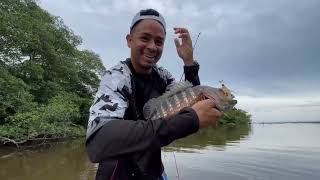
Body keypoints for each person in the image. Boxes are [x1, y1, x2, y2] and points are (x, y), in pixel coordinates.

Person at [86, 8, 222, 180]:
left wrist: (189, 62)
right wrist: (190, 120)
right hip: (119, 174)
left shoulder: (162, 75)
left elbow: (192, 99)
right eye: (145, 38)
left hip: (154, 170)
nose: (152, 47)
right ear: (129, 40)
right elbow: (100, 141)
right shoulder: (116, 77)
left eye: (159, 42)